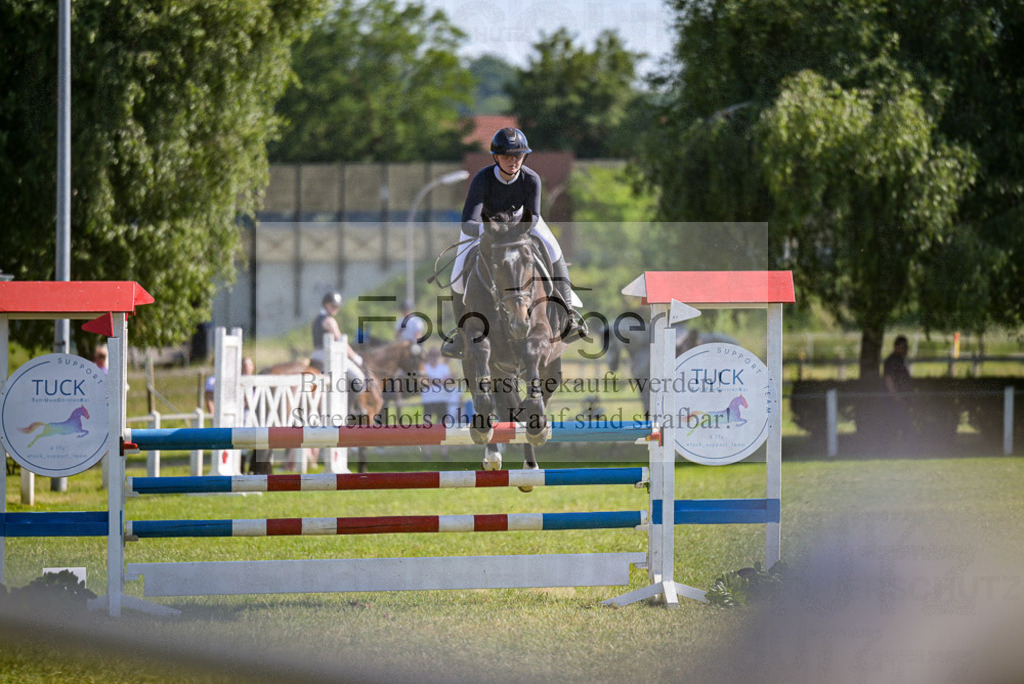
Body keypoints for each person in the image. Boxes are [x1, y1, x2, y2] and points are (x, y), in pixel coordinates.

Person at [442, 127, 586, 358]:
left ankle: (568, 317)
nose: (513, 161)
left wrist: (517, 228)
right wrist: (487, 229)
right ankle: (461, 336)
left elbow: (535, 215)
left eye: (517, 156)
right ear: (496, 157)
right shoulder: (483, 179)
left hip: (522, 224)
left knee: (553, 249)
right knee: (457, 277)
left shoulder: (531, 179)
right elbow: (468, 220)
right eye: (507, 156)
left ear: (524, 157)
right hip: (484, 226)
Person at [311, 292, 366, 389]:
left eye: (337, 307)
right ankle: (352, 403)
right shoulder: (330, 321)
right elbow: (340, 341)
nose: (335, 308)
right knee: (360, 378)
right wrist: (354, 356)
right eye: (332, 306)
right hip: (327, 356)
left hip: (315, 355)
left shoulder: (315, 319)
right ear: (325, 304)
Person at [419, 347, 460, 458]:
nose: (434, 357)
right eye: (433, 355)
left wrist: (434, 381)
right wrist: (441, 381)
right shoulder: (425, 368)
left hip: (442, 399)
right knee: (427, 425)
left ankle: (444, 452)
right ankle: (427, 452)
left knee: (444, 426)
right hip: (428, 400)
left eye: (436, 355)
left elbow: (445, 382)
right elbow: (425, 381)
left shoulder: (443, 367)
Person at [882, 335, 913, 448]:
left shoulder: (900, 361)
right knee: (895, 423)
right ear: (897, 347)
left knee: (903, 423)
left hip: (901, 399)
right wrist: (895, 395)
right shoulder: (892, 361)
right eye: (904, 347)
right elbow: (888, 379)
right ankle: (893, 446)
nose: (906, 350)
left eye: (906, 347)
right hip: (895, 401)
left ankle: (902, 446)